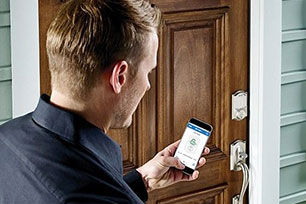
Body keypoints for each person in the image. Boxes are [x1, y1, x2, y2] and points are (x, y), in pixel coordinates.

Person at [0, 0, 210, 203]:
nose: (147, 85)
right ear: (119, 77)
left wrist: (142, 181)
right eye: (148, 72)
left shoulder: (6, 138)